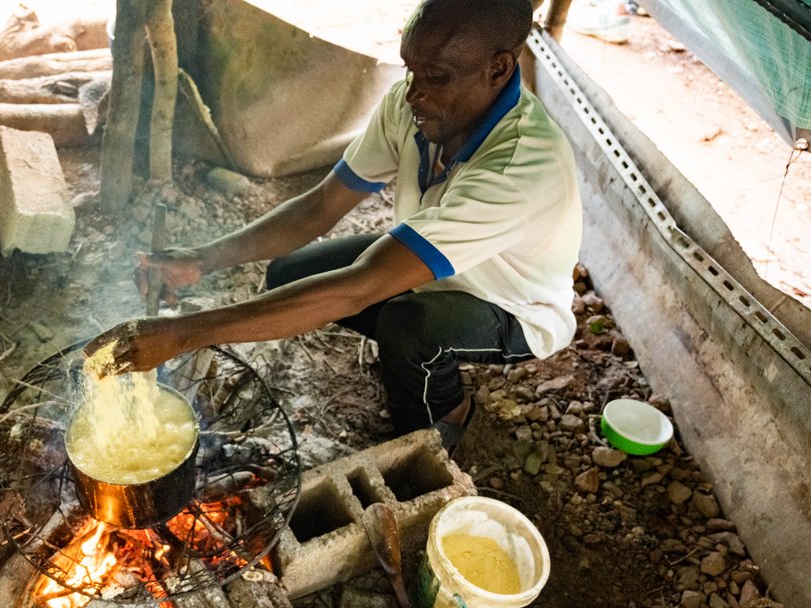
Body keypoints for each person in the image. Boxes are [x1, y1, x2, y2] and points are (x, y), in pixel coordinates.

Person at [87, 0, 582, 450]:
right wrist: (202, 259)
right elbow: (321, 205)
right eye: (411, 71)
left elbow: (357, 288)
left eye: (436, 77)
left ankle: (442, 419)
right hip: (438, 265)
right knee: (288, 277)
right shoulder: (414, 106)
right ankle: (410, 348)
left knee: (407, 328)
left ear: (498, 68)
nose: (414, 93)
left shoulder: (518, 168)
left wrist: (181, 334)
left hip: (509, 303)